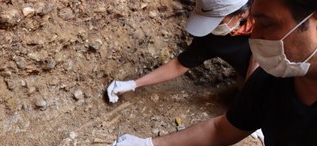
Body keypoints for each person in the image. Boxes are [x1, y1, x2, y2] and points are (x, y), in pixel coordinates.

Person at [110, 0, 317, 146]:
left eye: (267, 24)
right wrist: (148, 145)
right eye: (255, 23)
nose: (254, 36)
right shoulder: (271, 83)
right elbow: (220, 130)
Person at [107, 0, 257, 104]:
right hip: (248, 78)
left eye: (217, 21)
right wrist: (133, 84)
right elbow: (180, 65)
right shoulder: (212, 37)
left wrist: (254, 104)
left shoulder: (271, 14)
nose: (211, 27)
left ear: (241, 14)